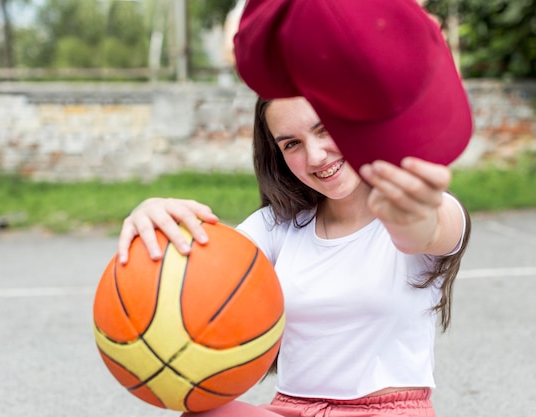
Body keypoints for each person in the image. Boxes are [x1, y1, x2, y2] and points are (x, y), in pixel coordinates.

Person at [117, 95, 471, 417]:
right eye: (292, 144)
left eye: (325, 130)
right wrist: (154, 212)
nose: (315, 156)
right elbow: (205, 273)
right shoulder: (278, 226)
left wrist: (414, 218)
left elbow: (429, 229)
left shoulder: (422, 211)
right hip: (292, 410)